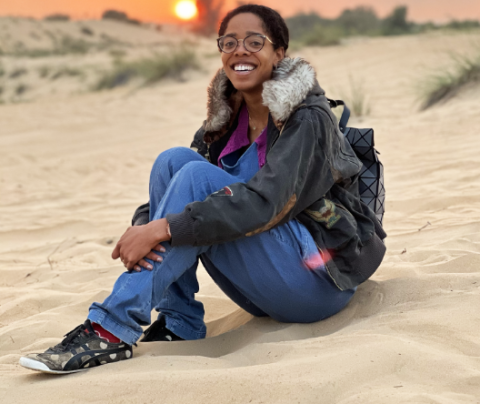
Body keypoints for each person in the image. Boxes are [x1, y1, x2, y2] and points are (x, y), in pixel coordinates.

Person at [20, 4, 386, 374]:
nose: (239, 50)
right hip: (263, 283)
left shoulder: (308, 119)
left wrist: (161, 229)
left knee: (198, 180)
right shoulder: (224, 120)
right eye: (228, 42)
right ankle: (180, 324)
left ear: (279, 53)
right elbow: (173, 192)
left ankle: (108, 329)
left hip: (317, 284)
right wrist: (144, 225)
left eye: (254, 41)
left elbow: (265, 203)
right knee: (174, 161)